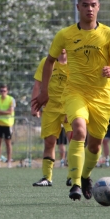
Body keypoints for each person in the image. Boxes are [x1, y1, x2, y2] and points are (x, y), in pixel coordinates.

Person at [31, 0, 110, 201]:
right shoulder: (65, 35)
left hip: (102, 95)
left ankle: (85, 176)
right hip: (75, 92)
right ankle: (74, 184)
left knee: (95, 144)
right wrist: (44, 90)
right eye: (85, 5)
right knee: (79, 131)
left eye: (93, 5)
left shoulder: (109, 34)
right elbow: (49, 62)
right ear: (78, 7)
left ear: (98, 7)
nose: (89, 9)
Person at [32, 49, 72, 186]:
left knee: (74, 139)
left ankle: (73, 175)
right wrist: (35, 106)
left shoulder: (74, 63)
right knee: (49, 142)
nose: (62, 47)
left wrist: (72, 109)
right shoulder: (47, 62)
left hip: (70, 106)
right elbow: (38, 84)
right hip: (50, 108)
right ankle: (46, 177)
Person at [0, 84, 15, 168]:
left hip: (7, 124)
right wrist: (3, 111)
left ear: (7, 91)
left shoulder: (11, 99)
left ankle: (9, 162)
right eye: (1, 91)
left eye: (4, 91)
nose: (3, 93)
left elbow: (10, 111)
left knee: (8, 143)